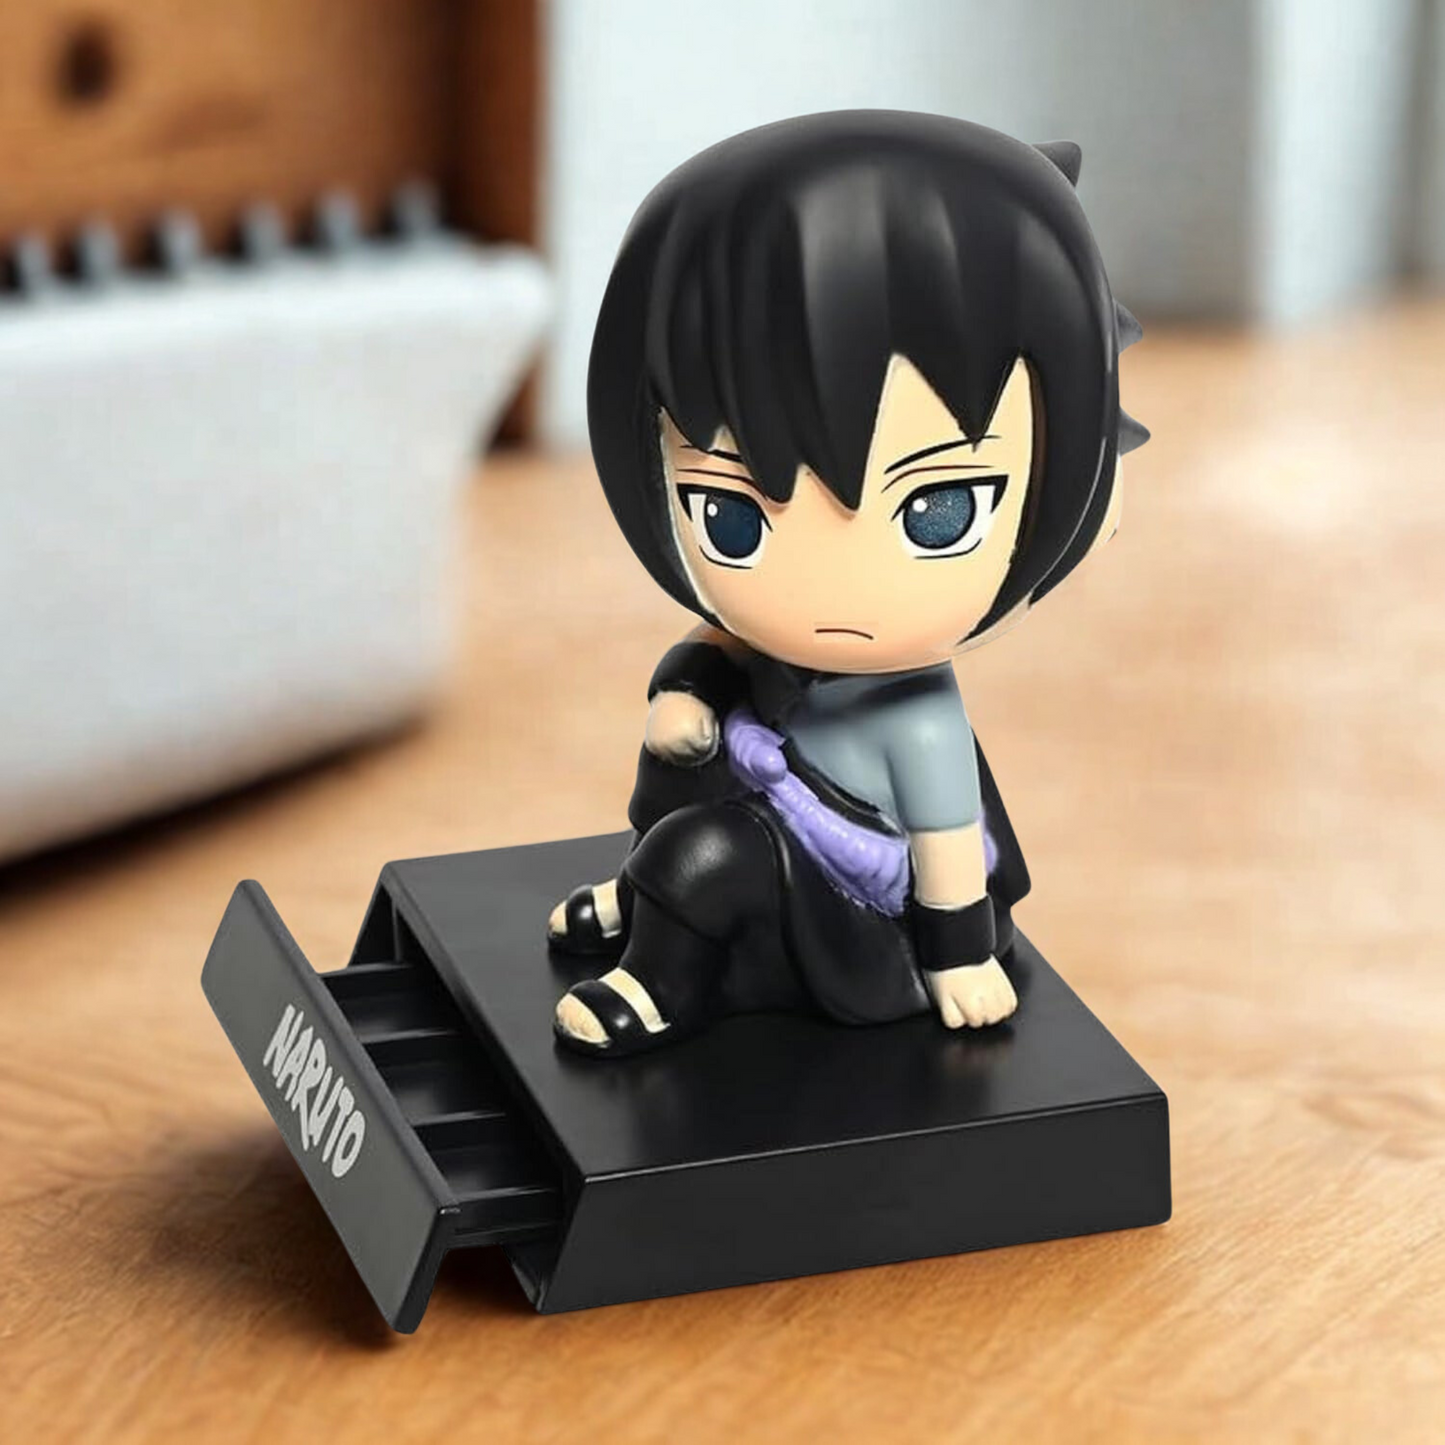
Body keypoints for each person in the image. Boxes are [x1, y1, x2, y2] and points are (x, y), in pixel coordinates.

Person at [547, 111, 1148, 1057]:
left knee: (706, 853)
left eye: (937, 512)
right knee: (679, 750)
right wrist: (685, 690)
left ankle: (657, 984)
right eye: (730, 516)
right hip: (760, 811)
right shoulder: (760, 647)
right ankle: (640, 893)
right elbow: (713, 654)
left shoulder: (918, 721)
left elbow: (946, 842)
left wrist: (957, 957)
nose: (831, 591)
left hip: (853, 898)